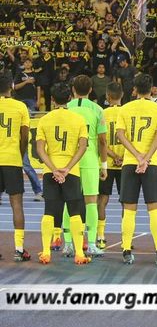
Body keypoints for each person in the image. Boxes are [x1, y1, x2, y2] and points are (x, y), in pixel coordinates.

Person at [116, 74, 157, 265]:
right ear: (151, 89)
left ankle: (126, 250)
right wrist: (146, 158)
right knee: (154, 208)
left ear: (135, 89)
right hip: (151, 164)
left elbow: (120, 135)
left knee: (129, 209)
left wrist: (137, 156)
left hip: (130, 162)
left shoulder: (125, 108)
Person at [36, 83, 90, 265]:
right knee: (75, 212)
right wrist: (67, 168)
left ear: (52, 100)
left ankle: (45, 253)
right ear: (69, 99)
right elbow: (83, 146)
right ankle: (79, 255)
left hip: (50, 172)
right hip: (71, 172)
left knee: (49, 211)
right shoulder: (78, 119)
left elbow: (40, 149)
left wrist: (53, 169)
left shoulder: (44, 119)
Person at [63, 75, 108, 258]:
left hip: (69, 160)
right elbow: (103, 140)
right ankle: (90, 244)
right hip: (89, 159)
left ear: (73, 89)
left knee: (69, 201)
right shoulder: (97, 109)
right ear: (91, 90)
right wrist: (103, 165)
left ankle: (68, 244)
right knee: (91, 202)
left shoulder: (66, 108)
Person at [0, 75, 31, 261]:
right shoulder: (20, 107)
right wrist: (19, 154)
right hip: (12, 159)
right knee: (16, 204)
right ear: (12, 86)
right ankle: (19, 249)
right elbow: (25, 137)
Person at [96, 82, 124, 249]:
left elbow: (102, 140)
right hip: (125, 163)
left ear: (107, 96)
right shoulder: (127, 113)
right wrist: (122, 156)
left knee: (102, 200)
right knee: (126, 202)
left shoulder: (102, 113)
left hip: (106, 163)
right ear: (122, 96)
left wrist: (112, 156)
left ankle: (100, 236)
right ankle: (125, 239)